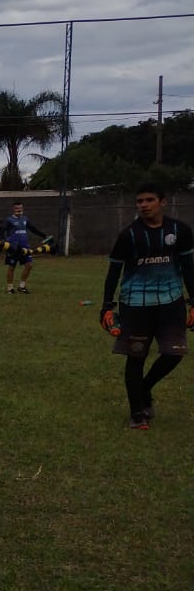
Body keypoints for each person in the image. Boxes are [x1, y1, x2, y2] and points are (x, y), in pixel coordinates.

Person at [100, 181, 194, 430]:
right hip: (135, 304)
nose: (143, 205)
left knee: (174, 353)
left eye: (149, 200)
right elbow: (113, 272)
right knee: (136, 356)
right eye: (140, 201)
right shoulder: (128, 235)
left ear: (162, 202)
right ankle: (137, 412)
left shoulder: (180, 231)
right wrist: (107, 306)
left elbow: (189, 268)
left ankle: (143, 388)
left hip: (172, 302)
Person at [0, 201, 49, 294]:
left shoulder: (25, 219)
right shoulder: (8, 220)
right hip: (13, 248)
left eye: (20, 208)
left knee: (29, 265)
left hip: (25, 247)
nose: (19, 210)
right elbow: (1, 230)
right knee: (12, 267)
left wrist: (44, 236)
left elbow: (33, 229)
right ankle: (10, 288)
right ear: (13, 209)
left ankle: (22, 286)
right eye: (17, 208)